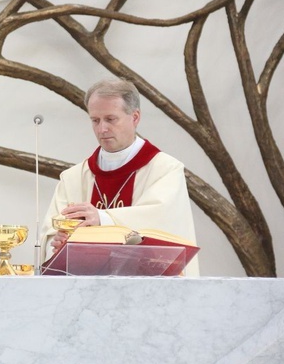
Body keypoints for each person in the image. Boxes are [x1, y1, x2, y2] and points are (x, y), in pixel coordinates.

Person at [40, 78, 198, 274]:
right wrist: (59, 245)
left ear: (135, 117)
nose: (102, 129)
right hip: (83, 292)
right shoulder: (73, 178)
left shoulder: (165, 170)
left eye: (110, 119)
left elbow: (164, 225)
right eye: (95, 120)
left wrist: (102, 218)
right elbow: (50, 233)